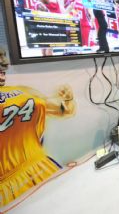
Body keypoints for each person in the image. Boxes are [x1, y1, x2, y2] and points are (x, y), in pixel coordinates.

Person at [0, 48, 76, 207]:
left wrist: (67, 99)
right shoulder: (24, 91)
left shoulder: (23, 91)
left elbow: (64, 109)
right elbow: (65, 109)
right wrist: (68, 98)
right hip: (42, 167)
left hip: (32, 170)